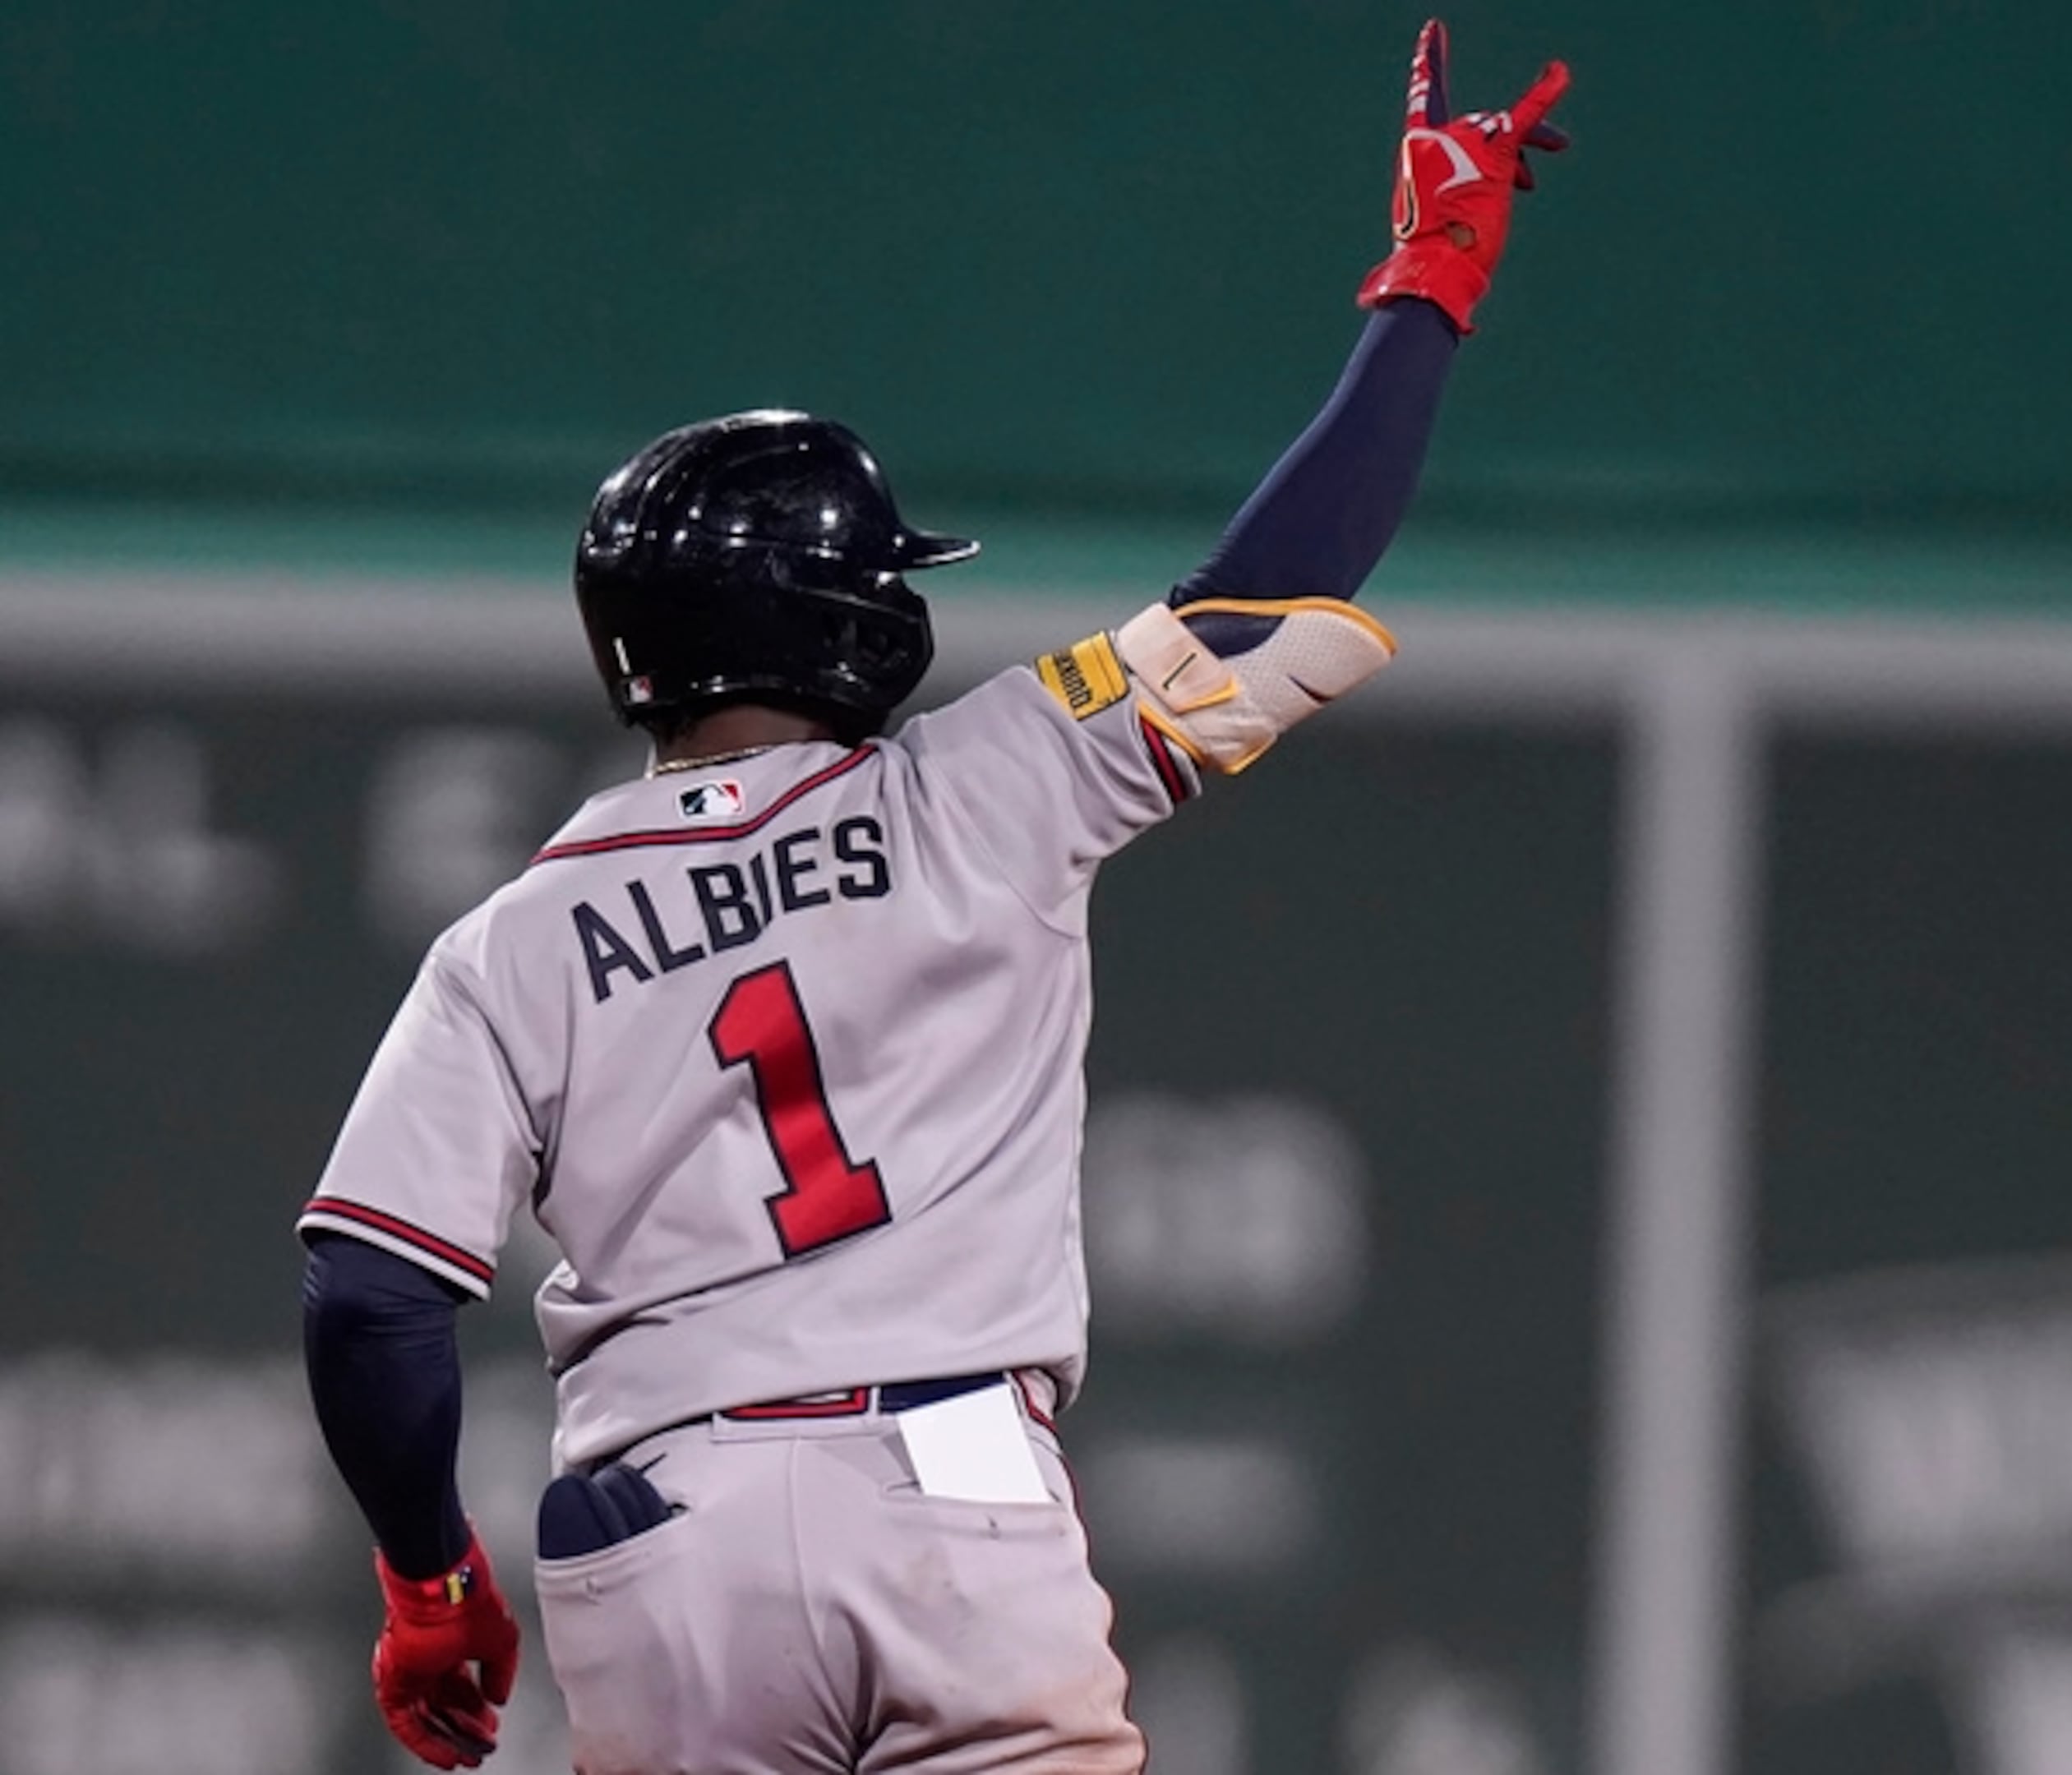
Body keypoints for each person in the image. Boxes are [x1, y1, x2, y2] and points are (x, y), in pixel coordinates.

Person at [293, 22, 1567, 1771]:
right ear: (844, 617)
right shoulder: (996, 780)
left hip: (662, 1534)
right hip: (953, 1484)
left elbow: (367, 1296)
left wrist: (431, 1583)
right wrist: (1427, 281)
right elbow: (1271, 596)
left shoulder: (514, 941)